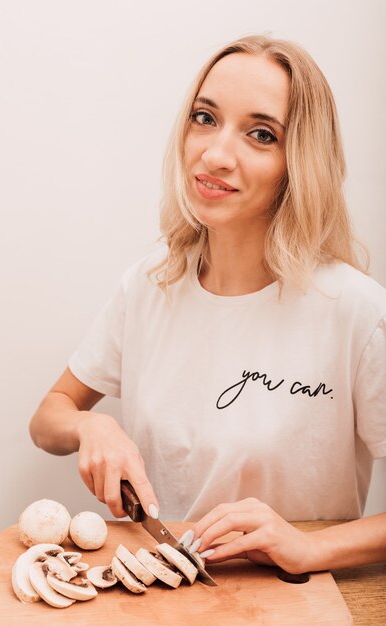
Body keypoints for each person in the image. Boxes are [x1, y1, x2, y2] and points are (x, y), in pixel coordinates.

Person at [29, 34, 386, 574]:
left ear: (300, 162)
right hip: (162, 595)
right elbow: (48, 417)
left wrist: (312, 548)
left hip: (295, 600)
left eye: (261, 134)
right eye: (204, 118)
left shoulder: (356, 312)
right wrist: (91, 427)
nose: (216, 155)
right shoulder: (149, 286)